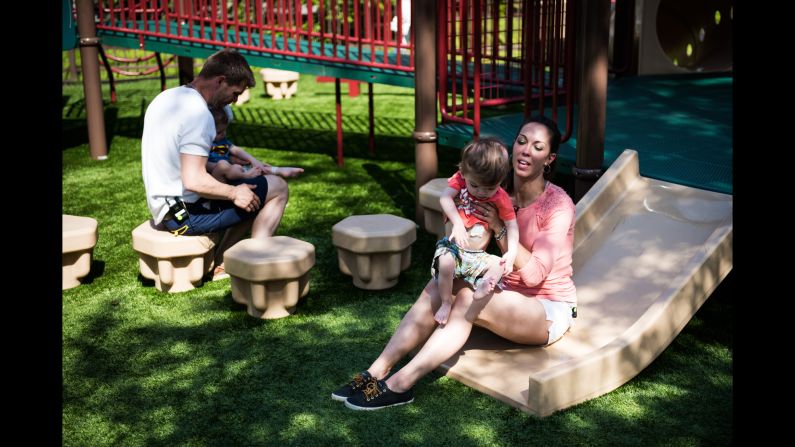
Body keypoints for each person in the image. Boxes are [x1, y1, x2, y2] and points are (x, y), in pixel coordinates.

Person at [332, 115, 577, 410]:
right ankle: (377, 371)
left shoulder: (558, 204)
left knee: (465, 297)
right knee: (436, 287)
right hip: (502, 288)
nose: (525, 150)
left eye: (537, 147)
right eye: (521, 142)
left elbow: (535, 276)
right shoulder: (494, 188)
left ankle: (400, 385)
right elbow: (465, 237)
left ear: (549, 159)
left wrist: (499, 227)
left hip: (545, 305)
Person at [141, 49, 290, 278]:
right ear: (221, 81)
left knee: (249, 189)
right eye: (235, 92)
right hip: (185, 216)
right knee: (277, 188)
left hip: (164, 207)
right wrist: (234, 193)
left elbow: (183, 164)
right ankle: (251, 263)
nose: (235, 100)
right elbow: (194, 180)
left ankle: (222, 259)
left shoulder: (168, 98)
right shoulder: (199, 114)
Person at [432, 137, 519, 326]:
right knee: (445, 263)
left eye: (490, 188)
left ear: (500, 182)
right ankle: (446, 303)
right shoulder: (461, 181)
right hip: (453, 250)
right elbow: (445, 198)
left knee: (498, 263)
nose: (481, 192)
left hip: (477, 256)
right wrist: (457, 223)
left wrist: (511, 253)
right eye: (475, 185)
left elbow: (512, 225)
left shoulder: (500, 197)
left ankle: (484, 285)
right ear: (463, 172)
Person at [207, 106, 304, 183]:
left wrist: (253, 160)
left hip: (232, 169)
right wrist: (227, 167)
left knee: (246, 163)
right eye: (219, 132)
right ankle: (246, 175)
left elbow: (236, 150)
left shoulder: (221, 141)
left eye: (225, 130)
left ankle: (275, 170)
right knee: (226, 165)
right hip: (216, 174)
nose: (223, 134)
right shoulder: (206, 144)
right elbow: (204, 165)